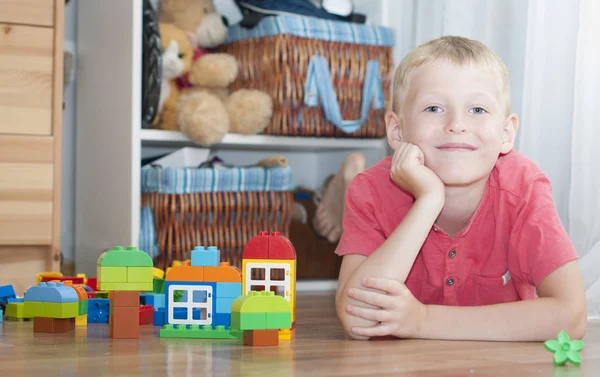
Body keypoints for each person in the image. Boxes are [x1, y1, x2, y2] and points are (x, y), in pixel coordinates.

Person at [334, 35, 587, 342]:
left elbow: (571, 317)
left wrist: (422, 321)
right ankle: (335, 189)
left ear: (506, 133)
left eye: (477, 110)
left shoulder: (524, 189)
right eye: (434, 108)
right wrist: (428, 200)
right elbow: (357, 316)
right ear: (397, 130)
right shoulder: (372, 190)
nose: (456, 124)